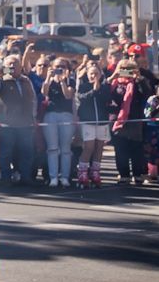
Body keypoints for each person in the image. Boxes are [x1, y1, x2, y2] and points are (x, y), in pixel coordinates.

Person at [0, 56, 37, 185]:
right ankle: (6, 177)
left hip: (25, 122)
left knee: (26, 151)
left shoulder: (26, 80)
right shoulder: (1, 80)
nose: (12, 67)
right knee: (6, 152)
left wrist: (34, 117)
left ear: (20, 66)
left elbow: (33, 99)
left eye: (15, 64)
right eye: (9, 64)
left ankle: (25, 177)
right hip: (7, 123)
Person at [107, 58, 149, 185]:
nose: (126, 72)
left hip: (134, 120)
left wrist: (139, 78)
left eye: (128, 69)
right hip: (117, 121)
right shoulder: (114, 83)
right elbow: (104, 93)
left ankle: (137, 174)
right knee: (120, 149)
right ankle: (124, 174)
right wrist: (113, 76)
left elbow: (147, 93)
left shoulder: (137, 82)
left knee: (137, 150)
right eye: (123, 69)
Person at [74, 56, 109, 188]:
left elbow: (107, 99)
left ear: (100, 74)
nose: (93, 76)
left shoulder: (105, 87)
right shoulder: (83, 87)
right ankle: (82, 172)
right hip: (88, 121)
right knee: (88, 147)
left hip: (102, 122)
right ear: (87, 75)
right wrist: (93, 90)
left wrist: (98, 88)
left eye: (96, 73)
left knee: (99, 147)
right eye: (91, 74)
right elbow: (82, 98)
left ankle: (95, 172)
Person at [41, 60, 76, 187]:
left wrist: (62, 81)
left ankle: (65, 177)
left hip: (66, 115)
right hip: (51, 115)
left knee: (66, 149)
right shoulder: (49, 80)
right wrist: (49, 77)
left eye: (62, 67)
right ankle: (53, 177)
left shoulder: (70, 80)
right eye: (57, 67)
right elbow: (44, 93)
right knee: (52, 148)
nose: (59, 69)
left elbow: (68, 95)